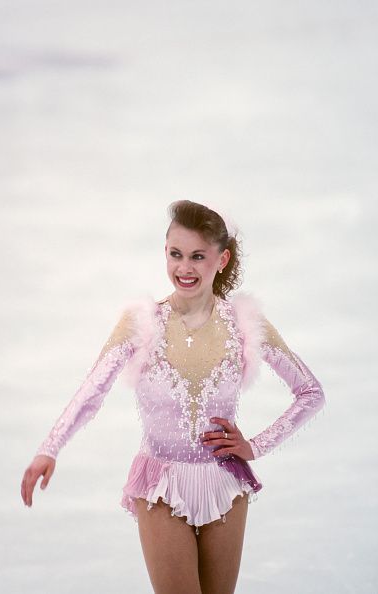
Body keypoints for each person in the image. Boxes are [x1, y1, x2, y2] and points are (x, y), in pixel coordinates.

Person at [21, 200, 326, 594]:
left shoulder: (244, 324)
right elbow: (92, 390)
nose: (184, 268)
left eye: (198, 256)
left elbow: (311, 392)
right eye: (175, 254)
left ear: (222, 259)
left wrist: (255, 445)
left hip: (225, 485)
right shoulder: (142, 323)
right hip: (161, 485)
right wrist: (50, 448)